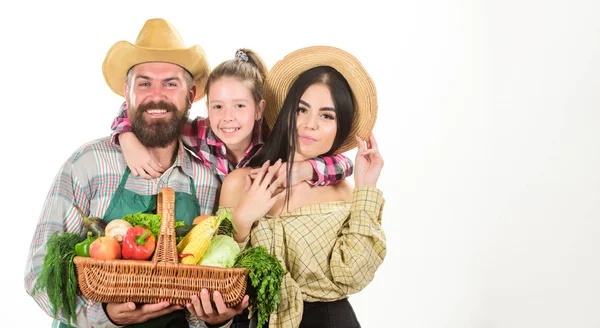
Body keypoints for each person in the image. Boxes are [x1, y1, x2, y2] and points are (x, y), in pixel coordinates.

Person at [24, 18, 247, 328]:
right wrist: (105, 315)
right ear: (126, 93)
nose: (156, 95)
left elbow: (201, 287)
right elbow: (39, 275)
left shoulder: (207, 180)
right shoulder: (87, 165)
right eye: (144, 83)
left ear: (191, 93)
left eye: (171, 83)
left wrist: (214, 320)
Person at [219, 46, 386, 328]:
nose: (310, 125)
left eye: (327, 116)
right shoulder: (241, 182)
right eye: (302, 110)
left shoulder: (344, 194)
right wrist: (243, 220)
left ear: (340, 127)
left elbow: (354, 275)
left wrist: (366, 185)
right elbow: (220, 273)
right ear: (287, 113)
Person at [110, 50, 353, 189]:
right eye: (218, 106)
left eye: (239, 106)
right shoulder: (200, 134)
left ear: (259, 109)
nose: (228, 118)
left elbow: (343, 163)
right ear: (206, 107)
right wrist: (128, 138)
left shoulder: (275, 137)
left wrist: (303, 170)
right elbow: (152, 111)